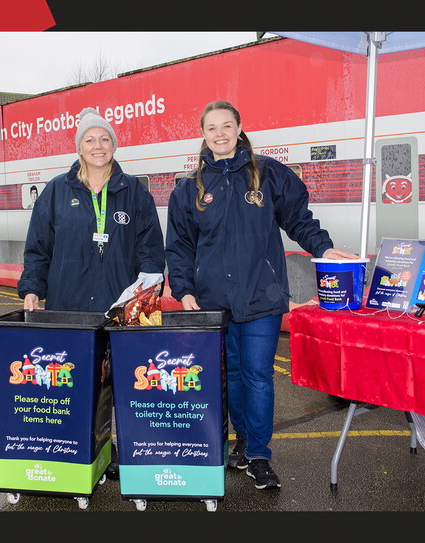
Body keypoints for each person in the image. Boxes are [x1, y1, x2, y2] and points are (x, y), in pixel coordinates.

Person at [165, 100, 357, 490]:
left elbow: (298, 219)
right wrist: (183, 289)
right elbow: (180, 245)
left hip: (261, 296)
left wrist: (322, 248)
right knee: (231, 375)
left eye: (226, 126)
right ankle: (241, 442)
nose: (220, 134)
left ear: (239, 129)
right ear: (203, 134)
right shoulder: (189, 187)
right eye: (212, 128)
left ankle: (259, 455)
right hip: (213, 300)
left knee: (258, 376)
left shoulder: (267, 174)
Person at [18, 106, 165, 478]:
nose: (98, 146)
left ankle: (121, 446)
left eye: (104, 139)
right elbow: (38, 247)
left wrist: (145, 295)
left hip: (121, 304)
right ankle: (81, 446)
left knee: (122, 379)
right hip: (69, 301)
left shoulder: (134, 192)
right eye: (90, 140)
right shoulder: (57, 191)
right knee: (76, 377)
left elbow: (151, 249)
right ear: (79, 147)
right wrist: (32, 287)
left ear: (113, 145)